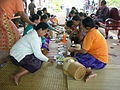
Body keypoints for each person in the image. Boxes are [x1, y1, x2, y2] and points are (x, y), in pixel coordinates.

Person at [69, 17, 108, 82]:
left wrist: (73, 50)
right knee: (78, 55)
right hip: (100, 58)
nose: (81, 27)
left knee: (76, 60)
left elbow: (84, 51)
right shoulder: (94, 31)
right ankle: (89, 71)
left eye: (82, 26)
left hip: (100, 62)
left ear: (87, 28)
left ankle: (90, 72)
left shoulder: (90, 34)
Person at [0, 0, 35, 64]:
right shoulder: (18, 0)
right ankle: (10, 57)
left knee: (4, 37)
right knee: (14, 36)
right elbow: (22, 15)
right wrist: (32, 23)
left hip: (3, 15)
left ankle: (7, 57)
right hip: (3, 16)